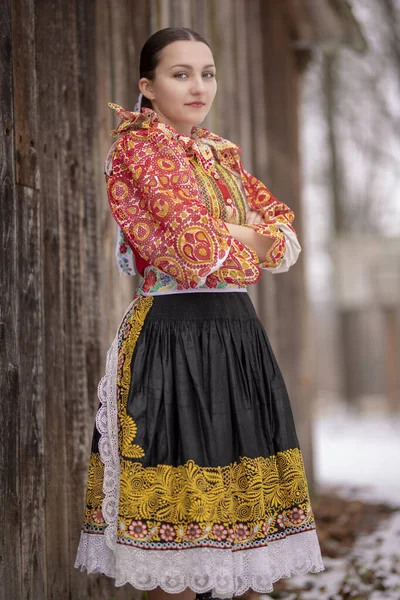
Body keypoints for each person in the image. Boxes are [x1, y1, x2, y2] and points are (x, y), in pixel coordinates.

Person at [74, 26, 324, 600]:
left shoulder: (221, 156)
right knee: (178, 538)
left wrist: (249, 237)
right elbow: (193, 249)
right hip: (173, 338)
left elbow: (284, 241)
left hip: (237, 337)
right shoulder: (137, 149)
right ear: (149, 85)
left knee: (245, 536)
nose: (197, 86)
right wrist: (247, 236)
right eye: (179, 73)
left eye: (206, 73)